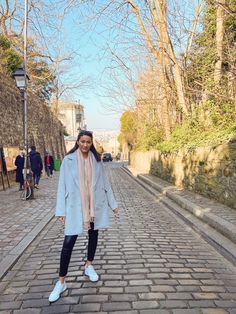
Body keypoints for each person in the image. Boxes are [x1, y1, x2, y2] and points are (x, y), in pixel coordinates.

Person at [48, 130, 119, 303]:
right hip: (74, 206)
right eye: (82, 141)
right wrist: (61, 211)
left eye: (88, 142)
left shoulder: (97, 160)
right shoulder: (68, 160)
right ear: (78, 142)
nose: (85, 145)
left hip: (94, 206)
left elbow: (105, 183)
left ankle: (89, 265)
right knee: (68, 242)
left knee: (93, 235)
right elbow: (62, 186)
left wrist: (113, 204)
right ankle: (61, 282)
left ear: (91, 142)